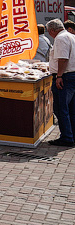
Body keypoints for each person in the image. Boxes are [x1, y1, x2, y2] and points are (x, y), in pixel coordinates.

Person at [47, 18, 75, 147]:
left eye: (49, 32)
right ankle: (70, 134)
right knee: (70, 108)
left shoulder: (60, 38)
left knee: (61, 108)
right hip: (71, 75)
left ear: (52, 30)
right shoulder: (70, 36)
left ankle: (67, 137)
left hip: (65, 76)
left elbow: (63, 58)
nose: (49, 35)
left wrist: (59, 76)